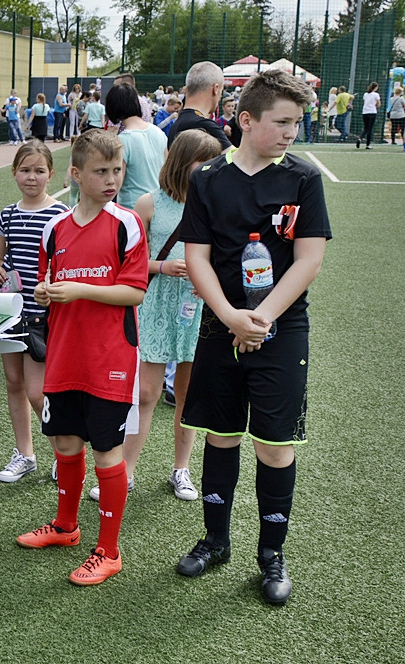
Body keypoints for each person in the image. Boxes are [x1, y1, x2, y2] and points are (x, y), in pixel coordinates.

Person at [175, 69, 331, 605]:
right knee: (220, 435)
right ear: (246, 120)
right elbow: (195, 256)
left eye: (297, 122)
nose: (292, 132)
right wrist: (229, 316)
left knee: (275, 444)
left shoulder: (303, 179)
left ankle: (271, 555)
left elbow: (308, 259)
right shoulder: (209, 179)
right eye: (282, 121)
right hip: (222, 328)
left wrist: (258, 317)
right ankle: (216, 541)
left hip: (281, 331)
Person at [15, 130, 148, 587]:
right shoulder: (55, 228)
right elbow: (47, 283)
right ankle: (65, 528)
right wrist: (44, 290)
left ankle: (108, 552)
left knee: (107, 453)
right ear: (76, 174)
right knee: (65, 444)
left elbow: (134, 290)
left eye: (118, 170)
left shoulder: (126, 223)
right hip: (64, 356)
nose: (112, 179)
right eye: (101, 171)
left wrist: (80, 290)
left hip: (110, 358)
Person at [88, 130, 224, 504]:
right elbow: (126, 265)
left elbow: (223, 257)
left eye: (212, 162)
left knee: (188, 394)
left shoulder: (215, 202)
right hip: (155, 303)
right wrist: (164, 266)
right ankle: (126, 473)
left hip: (197, 306)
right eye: (202, 161)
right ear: (182, 161)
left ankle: (181, 470)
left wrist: (207, 281)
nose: (208, 169)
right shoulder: (150, 204)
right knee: (145, 393)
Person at [0, 141, 69, 482]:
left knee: (38, 391)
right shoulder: (7, 214)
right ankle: (25, 454)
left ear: (51, 174)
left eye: (39, 171)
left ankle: (61, 451)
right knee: (13, 383)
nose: (31, 177)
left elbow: (66, 263)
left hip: (42, 314)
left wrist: (52, 284)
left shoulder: (60, 214)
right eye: (25, 170)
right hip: (9, 310)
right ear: (14, 173)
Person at [104, 83, 168, 210]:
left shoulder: (122, 140)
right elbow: (167, 170)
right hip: (159, 206)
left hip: (132, 209)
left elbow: (116, 181)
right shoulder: (159, 133)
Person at [168, 62, 232, 150]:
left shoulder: (175, 126)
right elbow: (238, 161)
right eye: (221, 92)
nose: (220, 97)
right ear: (216, 89)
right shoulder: (206, 127)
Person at [358, 81, 380, 149]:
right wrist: (376, 105)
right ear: (375, 87)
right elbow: (379, 104)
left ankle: (360, 138)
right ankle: (368, 144)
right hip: (372, 112)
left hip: (365, 112)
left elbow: (365, 102)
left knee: (365, 128)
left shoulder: (365, 94)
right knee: (370, 129)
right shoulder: (376, 94)